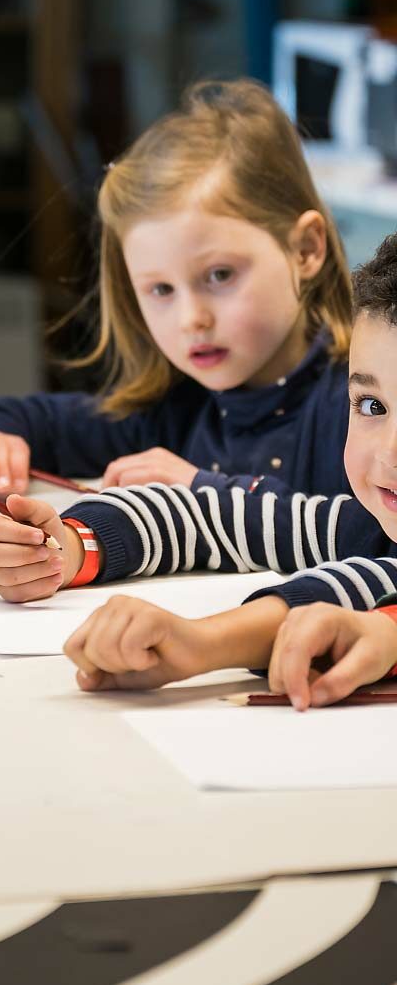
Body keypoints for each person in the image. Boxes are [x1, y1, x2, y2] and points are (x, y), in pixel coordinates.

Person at [0, 79, 352, 504]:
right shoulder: (179, 409)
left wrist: (204, 493)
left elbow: (368, 534)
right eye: (161, 289)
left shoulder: (364, 406)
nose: (191, 318)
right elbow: (21, 418)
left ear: (306, 249)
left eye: (219, 276)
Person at [61, 234, 397, 708]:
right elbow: (213, 517)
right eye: (372, 405)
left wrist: (203, 643)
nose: (390, 450)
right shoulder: (363, 525)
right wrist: (71, 546)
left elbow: (354, 592)